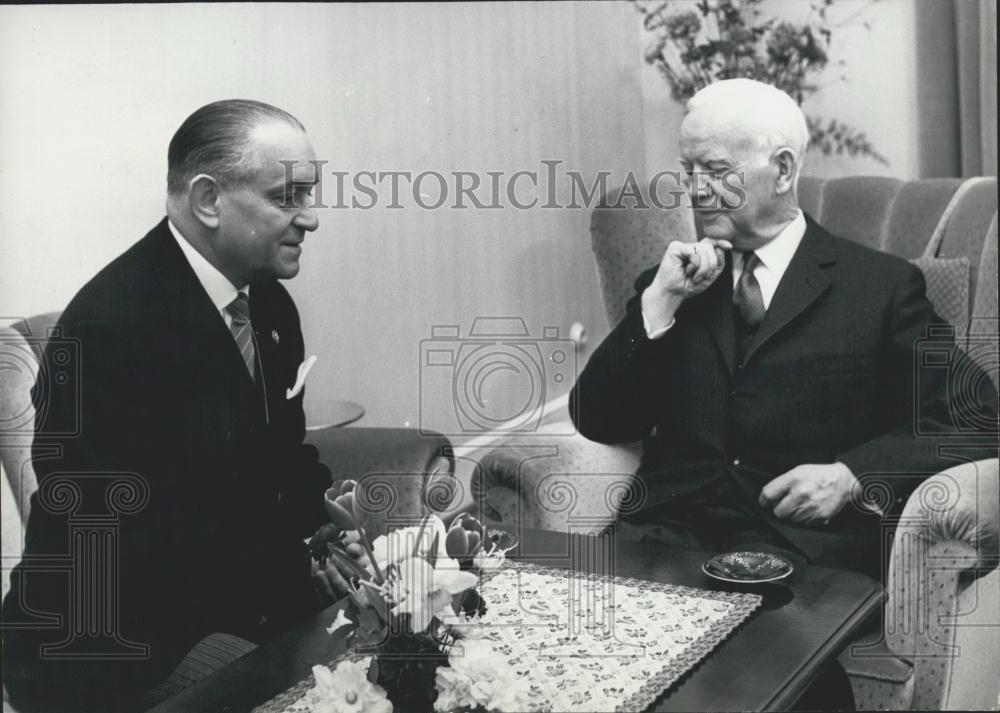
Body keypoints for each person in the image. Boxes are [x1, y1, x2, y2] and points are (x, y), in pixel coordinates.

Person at [570, 79, 997, 580]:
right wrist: (656, 306)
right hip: (662, 539)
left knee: (736, 658)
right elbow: (596, 421)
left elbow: (980, 418)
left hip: (798, 552)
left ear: (782, 169)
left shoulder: (880, 288)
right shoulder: (671, 286)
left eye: (716, 169)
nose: (694, 188)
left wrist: (853, 475)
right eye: (688, 170)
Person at [2, 100, 348, 711]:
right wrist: (293, 583)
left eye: (309, 194)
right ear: (208, 200)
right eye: (286, 197)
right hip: (111, 648)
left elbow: (279, 456)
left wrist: (322, 536)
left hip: (218, 599)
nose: (310, 219)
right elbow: (115, 544)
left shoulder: (266, 301)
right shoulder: (107, 328)